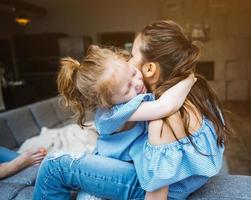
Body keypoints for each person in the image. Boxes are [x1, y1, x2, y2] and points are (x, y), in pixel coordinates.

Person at [33, 20, 233, 200]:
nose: (130, 61)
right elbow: (164, 106)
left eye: (133, 55)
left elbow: (156, 193)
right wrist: (189, 76)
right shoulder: (189, 97)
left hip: (141, 182)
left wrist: (188, 78)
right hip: (125, 164)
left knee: (54, 166)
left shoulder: (163, 120)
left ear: (150, 69)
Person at [56, 45, 195, 199]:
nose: (137, 82)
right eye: (127, 88)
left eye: (133, 72)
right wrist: (189, 79)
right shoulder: (111, 114)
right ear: (106, 103)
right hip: (106, 169)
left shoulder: (131, 95)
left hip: (127, 167)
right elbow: (165, 106)